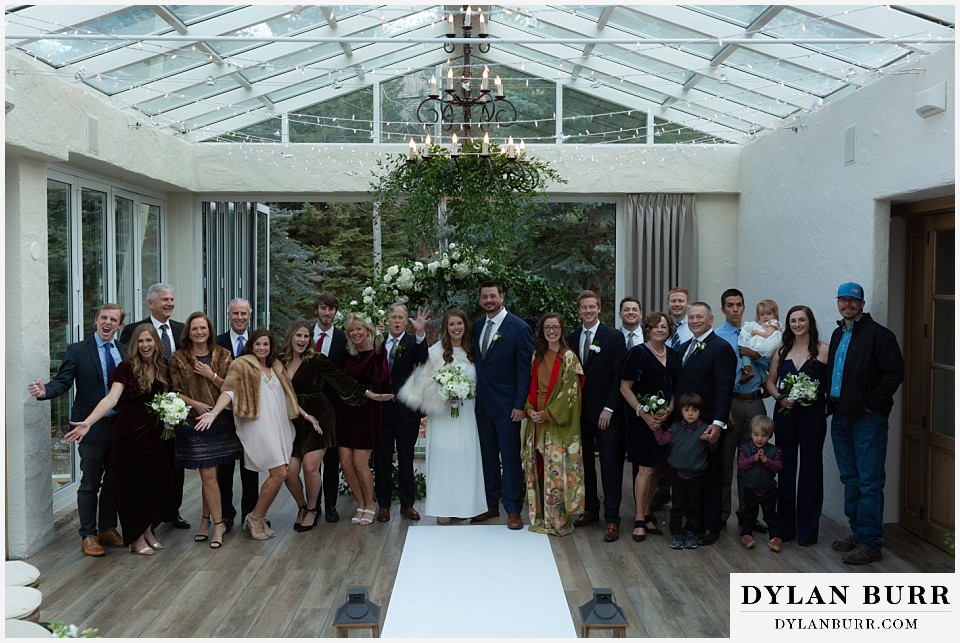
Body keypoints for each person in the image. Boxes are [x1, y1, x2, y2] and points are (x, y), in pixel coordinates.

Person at [195, 330, 321, 540]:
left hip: (279, 425)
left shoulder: (277, 366)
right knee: (280, 473)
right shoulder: (241, 364)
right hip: (257, 425)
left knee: (281, 472)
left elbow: (288, 395)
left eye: (266, 344)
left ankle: (259, 518)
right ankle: (255, 517)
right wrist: (214, 414)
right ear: (251, 345)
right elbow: (229, 390)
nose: (262, 348)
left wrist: (307, 415)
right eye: (258, 344)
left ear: (271, 347)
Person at [28, 303, 127, 557]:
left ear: (119, 325)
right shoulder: (78, 350)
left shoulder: (125, 352)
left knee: (115, 481)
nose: (107, 323)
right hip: (90, 428)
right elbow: (63, 381)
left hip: (118, 427)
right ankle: (89, 535)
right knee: (90, 482)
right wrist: (44, 391)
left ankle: (107, 528)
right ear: (96, 320)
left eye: (113, 320)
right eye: (103, 318)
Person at [63, 324, 172, 556]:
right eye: (140, 341)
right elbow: (111, 398)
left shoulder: (162, 366)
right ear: (134, 344)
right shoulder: (126, 367)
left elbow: (169, 396)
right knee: (134, 485)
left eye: (149, 341)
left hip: (154, 433)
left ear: (156, 343)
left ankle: (148, 529)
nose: (145, 345)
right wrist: (88, 422)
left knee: (155, 482)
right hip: (130, 433)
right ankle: (136, 537)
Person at [280, 320, 390, 532]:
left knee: (310, 466)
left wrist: (368, 393)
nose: (302, 340)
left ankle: (313, 510)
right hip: (293, 420)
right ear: (290, 337)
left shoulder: (317, 359)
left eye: (305, 336)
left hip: (319, 417)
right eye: (298, 336)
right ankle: (302, 506)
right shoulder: (280, 362)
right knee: (289, 472)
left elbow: (342, 379)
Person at [827, 282, 904, 565]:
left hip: (867, 420)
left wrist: (871, 404)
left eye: (853, 300)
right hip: (840, 418)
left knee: (870, 481)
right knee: (850, 479)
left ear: (861, 303)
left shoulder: (879, 335)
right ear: (838, 303)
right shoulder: (838, 334)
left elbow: (894, 373)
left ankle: (871, 544)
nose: (848, 304)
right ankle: (859, 533)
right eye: (843, 300)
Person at [398, 309, 487, 523]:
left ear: (465, 325)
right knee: (443, 458)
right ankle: (443, 507)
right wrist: (444, 394)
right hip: (442, 414)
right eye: (451, 324)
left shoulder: (474, 351)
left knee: (466, 457)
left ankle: (467, 505)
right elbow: (423, 383)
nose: (456, 328)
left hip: (467, 413)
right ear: (446, 328)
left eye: (459, 323)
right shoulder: (436, 351)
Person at [119, 282, 188, 530]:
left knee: (174, 463)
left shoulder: (181, 330)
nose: (169, 304)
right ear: (150, 303)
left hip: (175, 408)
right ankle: (148, 518)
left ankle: (172, 511)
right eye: (164, 300)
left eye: (171, 299)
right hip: (143, 414)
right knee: (148, 469)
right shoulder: (134, 331)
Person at [169, 312, 241, 549]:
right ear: (188, 333)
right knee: (207, 473)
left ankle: (206, 520)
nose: (199, 332)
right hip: (195, 421)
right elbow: (174, 390)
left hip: (221, 421)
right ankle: (218, 524)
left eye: (203, 328)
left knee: (210, 475)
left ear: (209, 330)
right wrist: (195, 404)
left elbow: (231, 388)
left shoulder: (223, 354)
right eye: (194, 329)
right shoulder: (179, 358)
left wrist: (211, 375)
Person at [764, 305, 829, 546]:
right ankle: (785, 527)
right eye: (793, 320)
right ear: (788, 324)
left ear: (810, 322)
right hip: (786, 416)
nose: (798, 324)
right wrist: (781, 397)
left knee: (811, 469)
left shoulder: (824, 350)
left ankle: (808, 530)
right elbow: (770, 382)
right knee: (787, 468)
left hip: (812, 417)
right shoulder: (781, 351)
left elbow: (832, 385)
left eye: (802, 320)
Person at [472, 281, 535, 530]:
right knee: (487, 457)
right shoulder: (477, 326)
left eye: (492, 296)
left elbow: (524, 371)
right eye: (484, 296)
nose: (489, 300)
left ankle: (513, 509)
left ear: (502, 297)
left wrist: (520, 405)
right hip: (482, 406)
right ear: (480, 300)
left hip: (508, 406)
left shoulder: (519, 328)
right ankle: (490, 504)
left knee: (509, 459)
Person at [675, 302, 737, 546]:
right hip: (686, 423)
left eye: (699, 317)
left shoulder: (721, 349)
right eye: (691, 317)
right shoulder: (684, 347)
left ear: (711, 319)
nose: (694, 321)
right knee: (690, 475)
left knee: (710, 476)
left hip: (708, 424)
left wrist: (718, 423)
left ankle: (710, 526)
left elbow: (724, 389)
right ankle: (693, 523)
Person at [570, 290, 627, 542]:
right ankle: (590, 508)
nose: (588, 311)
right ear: (579, 310)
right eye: (584, 307)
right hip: (580, 414)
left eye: (592, 307)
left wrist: (609, 408)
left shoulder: (613, 337)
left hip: (606, 414)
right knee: (585, 464)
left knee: (610, 465)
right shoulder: (571, 338)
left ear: (599, 309)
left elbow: (619, 377)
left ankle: (613, 518)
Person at [520, 313, 585, 536]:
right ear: (542, 331)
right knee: (538, 467)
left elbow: (571, 393)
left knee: (556, 471)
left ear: (562, 330)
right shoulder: (536, 356)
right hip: (536, 419)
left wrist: (547, 413)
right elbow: (531, 386)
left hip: (555, 423)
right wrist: (529, 409)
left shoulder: (569, 357)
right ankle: (540, 516)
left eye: (555, 327)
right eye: (547, 327)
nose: (551, 331)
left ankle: (557, 519)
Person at [619, 312, 678, 542]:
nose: (660, 330)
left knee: (656, 468)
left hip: (664, 420)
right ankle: (640, 519)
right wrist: (644, 415)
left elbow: (675, 386)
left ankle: (649, 512)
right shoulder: (638, 353)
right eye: (656, 326)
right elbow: (625, 388)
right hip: (641, 420)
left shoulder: (673, 355)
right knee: (645, 468)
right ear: (648, 329)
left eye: (664, 326)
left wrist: (670, 409)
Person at [715, 289, 769, 534]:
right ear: (723, 309)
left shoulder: (757, 332)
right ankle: (721, 514)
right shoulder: (717, 336)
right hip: (732, 402)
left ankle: (748, 516)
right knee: (725, 463)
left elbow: (772, 362)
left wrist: (757, 354)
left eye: (738, 304)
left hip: (755, 400)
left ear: (744, 307)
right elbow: (715, 376)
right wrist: (722, 407)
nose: (734, 309)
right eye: (730, 305)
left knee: (752, 461)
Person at [375, 304, 431, 523]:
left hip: (407, 411)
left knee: (406, 459)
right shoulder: (378, 342)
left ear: (406, 320)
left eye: (401, 317)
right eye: (393, 317)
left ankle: (407, 504)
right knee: (382, 459)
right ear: (388, 320)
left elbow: (422, 358)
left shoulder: (412, 342)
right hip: (381, 410)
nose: (396, 321)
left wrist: (419, 333)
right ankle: (384, 505)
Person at [338, 314, 390, 526]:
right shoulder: (348, 354)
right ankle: (360, 503)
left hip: (367, 412)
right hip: (346, 412)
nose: (356, 333)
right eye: (352, 330)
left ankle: (370, 504)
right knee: (346, 463)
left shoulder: (376, 354)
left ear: (368, 331)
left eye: (359, 329)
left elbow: (380, 373)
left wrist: (379, 341)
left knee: (360, 463)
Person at [215, 298, 258, 532]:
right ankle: (226, 514)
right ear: (228, 315)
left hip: (250, 414)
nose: (240, 317)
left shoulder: (258, 342)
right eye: (235, 313)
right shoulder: (218, 342)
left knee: (250, 468)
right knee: (225, 468)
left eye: (244, 313)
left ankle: (251, 514)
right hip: (226, 415)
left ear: (249, 316)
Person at [656, 393, 715, 550]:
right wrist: (656, 425)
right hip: (677, 474)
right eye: (687, 409)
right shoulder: (675, 428)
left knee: (694, 506)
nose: (690, 413)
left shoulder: (705, 429)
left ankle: (691, 532)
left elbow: (712, 448)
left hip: (697, 476)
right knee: (677, 505)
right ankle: (676, 532)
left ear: (700, 412)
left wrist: (710, 439)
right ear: (680, 411)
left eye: (694, 410)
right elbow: (662, 440)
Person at [313, 293, 350, 523]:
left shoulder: (342, 339)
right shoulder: (305, 336)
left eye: (331, 309)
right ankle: (312, 506)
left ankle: (331, 506)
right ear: (316, 309)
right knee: (312, 461)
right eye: (323, 308)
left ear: (336, 312)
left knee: (332, 460)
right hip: (310, 408)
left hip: (335, 409)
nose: (327, 313)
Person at [737, 415, 783, 552]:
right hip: (750, 489)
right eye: (756, 434)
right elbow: (741, 465)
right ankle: (746, 534)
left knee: (770, 514)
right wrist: (753, 458)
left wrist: (766, 461)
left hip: (768, 490)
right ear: (751, 433)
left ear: (770, 435)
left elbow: (778, 467)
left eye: (764, 435)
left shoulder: (774, 451)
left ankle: (775, 537)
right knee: (749, 513)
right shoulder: (744, 449)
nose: (759, 438)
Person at [738, 299, 782, 384]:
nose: (765, 317)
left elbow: (769, 334)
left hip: (766, 343)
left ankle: (749, 371)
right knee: (751, 356)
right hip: (761, 342)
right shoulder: (760, 324)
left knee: (748, 351)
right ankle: (753, 373)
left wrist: (757, 333)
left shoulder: (773, 323)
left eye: (769, 314)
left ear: (775, 314)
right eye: (762, 314)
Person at [666, 287, 694, 351]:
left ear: (688, 303)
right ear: (668, 304)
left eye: (681, 301)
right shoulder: (661, 327)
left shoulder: (695, 326)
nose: (677, 304)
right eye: (673, 301)